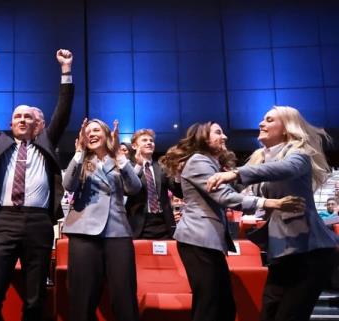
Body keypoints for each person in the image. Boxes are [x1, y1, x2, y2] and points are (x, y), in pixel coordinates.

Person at [159, 121, 303, 321]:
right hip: (197, 239)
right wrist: (269, 202)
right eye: (218, 132)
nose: (225, 137)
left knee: (223, 304)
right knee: (210, 304)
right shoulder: (199, 160)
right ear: (203, 137)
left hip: (206, 241)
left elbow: (235, 190)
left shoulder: (211, 163)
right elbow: (225, 197)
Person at [207, 106, 339, 321]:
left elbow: (284, 169)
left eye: (269, 120)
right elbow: (242, 196)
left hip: (310, 252)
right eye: (263, 119)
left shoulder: (299, 155)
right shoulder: (260, 159)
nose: (261, 123)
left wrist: (235, 173)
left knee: (289, 315)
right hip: (282, 252)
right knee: (268, 313)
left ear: (287, 129)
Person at [0, 50, 74, 321]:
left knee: (34, 299)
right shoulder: (0, 144)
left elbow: (63, 113)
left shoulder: (45, 144)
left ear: (36, 125)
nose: (22, 120)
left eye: (28, 117)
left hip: (39, 222)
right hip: (4, 220)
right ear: (11, 123)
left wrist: (66, 70)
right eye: (18, 116)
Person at [62, 118, 141, 321]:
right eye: (88, 131)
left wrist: (119, 156)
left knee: (124, 294)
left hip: (117, 231)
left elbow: (134, 188)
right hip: (83, 232)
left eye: (96, 130)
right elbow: (68, 185)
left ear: (107, 134)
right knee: (82, 297)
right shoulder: (81, 160)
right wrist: (78, 152)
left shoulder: (118, 160)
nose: (92, 134)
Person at [126, 128, 182, 239]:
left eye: (151, 140)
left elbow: (179, 192)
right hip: (138, 225)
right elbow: (127, 189)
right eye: (144, 140)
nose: (149, 143)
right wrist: (138, 166)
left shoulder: (162, 168)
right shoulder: (128, 168)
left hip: (164, 224)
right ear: (134, 146)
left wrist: (177, 174)